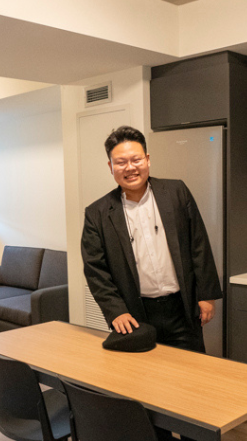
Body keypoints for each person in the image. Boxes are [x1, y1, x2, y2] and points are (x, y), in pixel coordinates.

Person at [82, 125, 222, 353]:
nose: (130, 168)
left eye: (136, 159)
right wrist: (115, 310)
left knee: (192, 377)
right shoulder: (97, 213)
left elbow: (199, 244)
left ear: (147, 160)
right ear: (111, 167)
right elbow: (95, 269)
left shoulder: (176, 192)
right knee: (144, 381)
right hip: (135, 315)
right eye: (120, 162)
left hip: (183, 310)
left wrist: (207, 295)